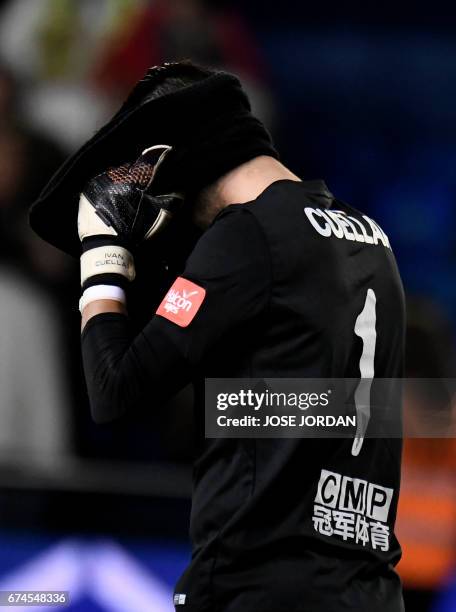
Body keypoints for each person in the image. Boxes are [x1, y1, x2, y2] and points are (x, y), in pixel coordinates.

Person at [30, 62, 405, 612]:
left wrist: (101, 258)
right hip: (367, 588)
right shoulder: (372, 239)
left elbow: (114, 391)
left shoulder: (248, 234)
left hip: (259, 586)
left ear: (171, 159)